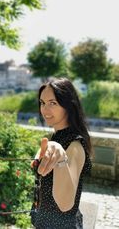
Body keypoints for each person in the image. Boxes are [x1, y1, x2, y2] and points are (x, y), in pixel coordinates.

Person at [30, 77, 92, 229]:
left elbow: (65, 204)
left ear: (68, 106)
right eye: (42, 103)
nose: (45, 109)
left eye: (53, 103)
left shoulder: (74, 145)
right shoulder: (58, 136)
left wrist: (60, 157)